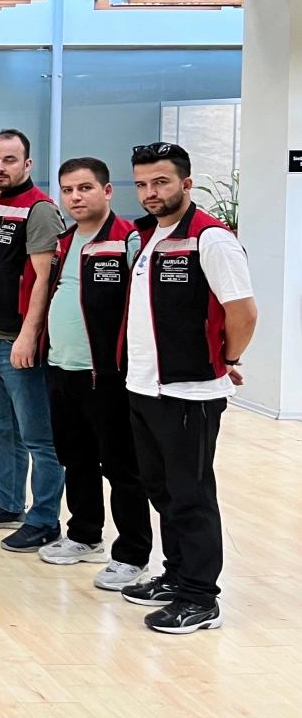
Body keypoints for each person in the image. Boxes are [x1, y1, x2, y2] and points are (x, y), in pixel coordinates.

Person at [118, 142, 255, 635]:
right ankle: (176, 576)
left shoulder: (211, 240)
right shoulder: (148, 235)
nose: (150, 193)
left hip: (190, 391)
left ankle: (200, 598)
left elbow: (243, 312)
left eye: (161, 182)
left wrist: (226, 359)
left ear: (186, 183)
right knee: (162, 489)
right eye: (142, 184)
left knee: (190, 494)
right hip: (144, 386)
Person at [40, 158, 150, 592]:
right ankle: (85, 535)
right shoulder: (64, 241)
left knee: (122, 467)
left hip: (107, 375)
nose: (75, 197)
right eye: (68, 190)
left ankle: (132, 554)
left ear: (106, 191)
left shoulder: (129, 240)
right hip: (61, 368)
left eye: (84, 188)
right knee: (76, 458)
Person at [0, 129, 65, 553]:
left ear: (27, 163)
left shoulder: (39, 209)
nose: (0, 168)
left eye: (9, 160)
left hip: (18, 343)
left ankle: (44, 520)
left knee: (38, 437)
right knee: (2, 428)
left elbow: (45, 279)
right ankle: (8, 503)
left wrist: (29, 335)